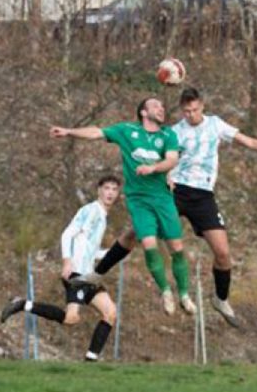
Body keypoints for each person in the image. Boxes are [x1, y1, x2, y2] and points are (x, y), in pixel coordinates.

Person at [83, 87, 257, 327]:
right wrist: (163, 174)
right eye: (186, 111)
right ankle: (98, 272)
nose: (191, 115)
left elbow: (248, 141)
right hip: (176, 190)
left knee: (223, 253)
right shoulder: (173, 132)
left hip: (203, 196)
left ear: (202, 106)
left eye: (195, 110)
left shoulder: (216, 125)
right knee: (135, 233)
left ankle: (221, 299)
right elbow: (161, 156)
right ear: (182, 110)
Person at [49, 97, 196, 315]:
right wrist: (70, 131)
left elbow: (172, 160)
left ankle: (184, 294)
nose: (161, 109)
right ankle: (165, 291)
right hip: (138, 199)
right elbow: (96, 132)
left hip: (163, 198)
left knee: (176, 247)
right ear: (144, 112)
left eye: (162, 107)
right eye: (156, 106)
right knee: (148, 243)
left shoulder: (168, 135)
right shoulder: (127, 131)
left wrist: (154, 168)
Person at [0, 175, 122, 361]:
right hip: (77, 275)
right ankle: (22, 304)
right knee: (71, 318)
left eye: (114, 189)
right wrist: (67, 261)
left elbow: (92, 250)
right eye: (107, 188)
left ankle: (90, 360)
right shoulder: (90, 211)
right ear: (99, 190)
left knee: (110, 313)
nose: (110, 193)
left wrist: (118, 252)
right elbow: (67, 234)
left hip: (89, 275)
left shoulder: (102, 217)